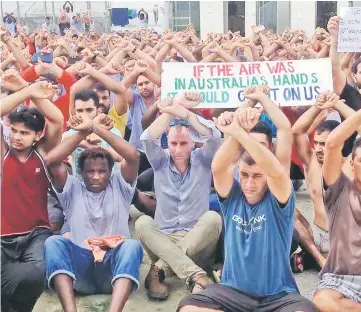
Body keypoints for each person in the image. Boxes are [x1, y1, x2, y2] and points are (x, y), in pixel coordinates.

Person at [178, 87, 316, 312]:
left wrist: (244, 126)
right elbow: (218, 166)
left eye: (257, 176)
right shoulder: (233, 195)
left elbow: (277, 162)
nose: (249, 184)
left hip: (278, 296)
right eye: (244, 175)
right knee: (188, 307)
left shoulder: (278, 194)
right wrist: (237, 126)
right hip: (233, 293)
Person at [44, 112, 142, 312]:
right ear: (81, 173)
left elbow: (133, 155)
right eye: (90, 171)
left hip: (113, 273)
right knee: (53, 242)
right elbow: (52, 160)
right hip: (79, 275)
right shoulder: (72, 189)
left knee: (132, 246)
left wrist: (98, 129)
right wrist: (82, 132)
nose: (96, 176)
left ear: (110, 172)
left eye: (102, 171)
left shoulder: (120, 187)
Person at [135, 93, 223, 300]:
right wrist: (172, 109)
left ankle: (159, 269)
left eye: (183, 143)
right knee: (142, 223)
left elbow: (215, 136)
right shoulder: (159, 161)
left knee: (213, 218)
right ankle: (195, 274)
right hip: (163, 238)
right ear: (168, 142)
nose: (178, 149)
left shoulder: (203, 160)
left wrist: (185, 113)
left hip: (197, 240)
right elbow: (147, 137)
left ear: (193, 143)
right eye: (173, 143)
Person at [1, 81, 64, 312]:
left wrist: (38, 96)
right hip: (3, 235)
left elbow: (57, 120)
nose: (17, 137)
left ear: (38, 135)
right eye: (14, 131)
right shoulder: (4, 153)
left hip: (36, 233)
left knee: (37, 274)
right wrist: (26, 91)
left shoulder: (42, 153)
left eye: (25, 133)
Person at [291, 91, 358, 272]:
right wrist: (318, 107)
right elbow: (297, 131)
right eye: (318, 143)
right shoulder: (310, 162)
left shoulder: (351, 165)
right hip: (317, 237)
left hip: (346, 239)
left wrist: (336, 104)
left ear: (339, 143)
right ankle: (321, 261)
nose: (320, 149)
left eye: (325, 143)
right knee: (290, 211)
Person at [312, 109, 361, 312]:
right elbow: (332, 144)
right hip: (340, 279)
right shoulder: (339, 189)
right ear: (351, 163)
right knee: (322, 302)